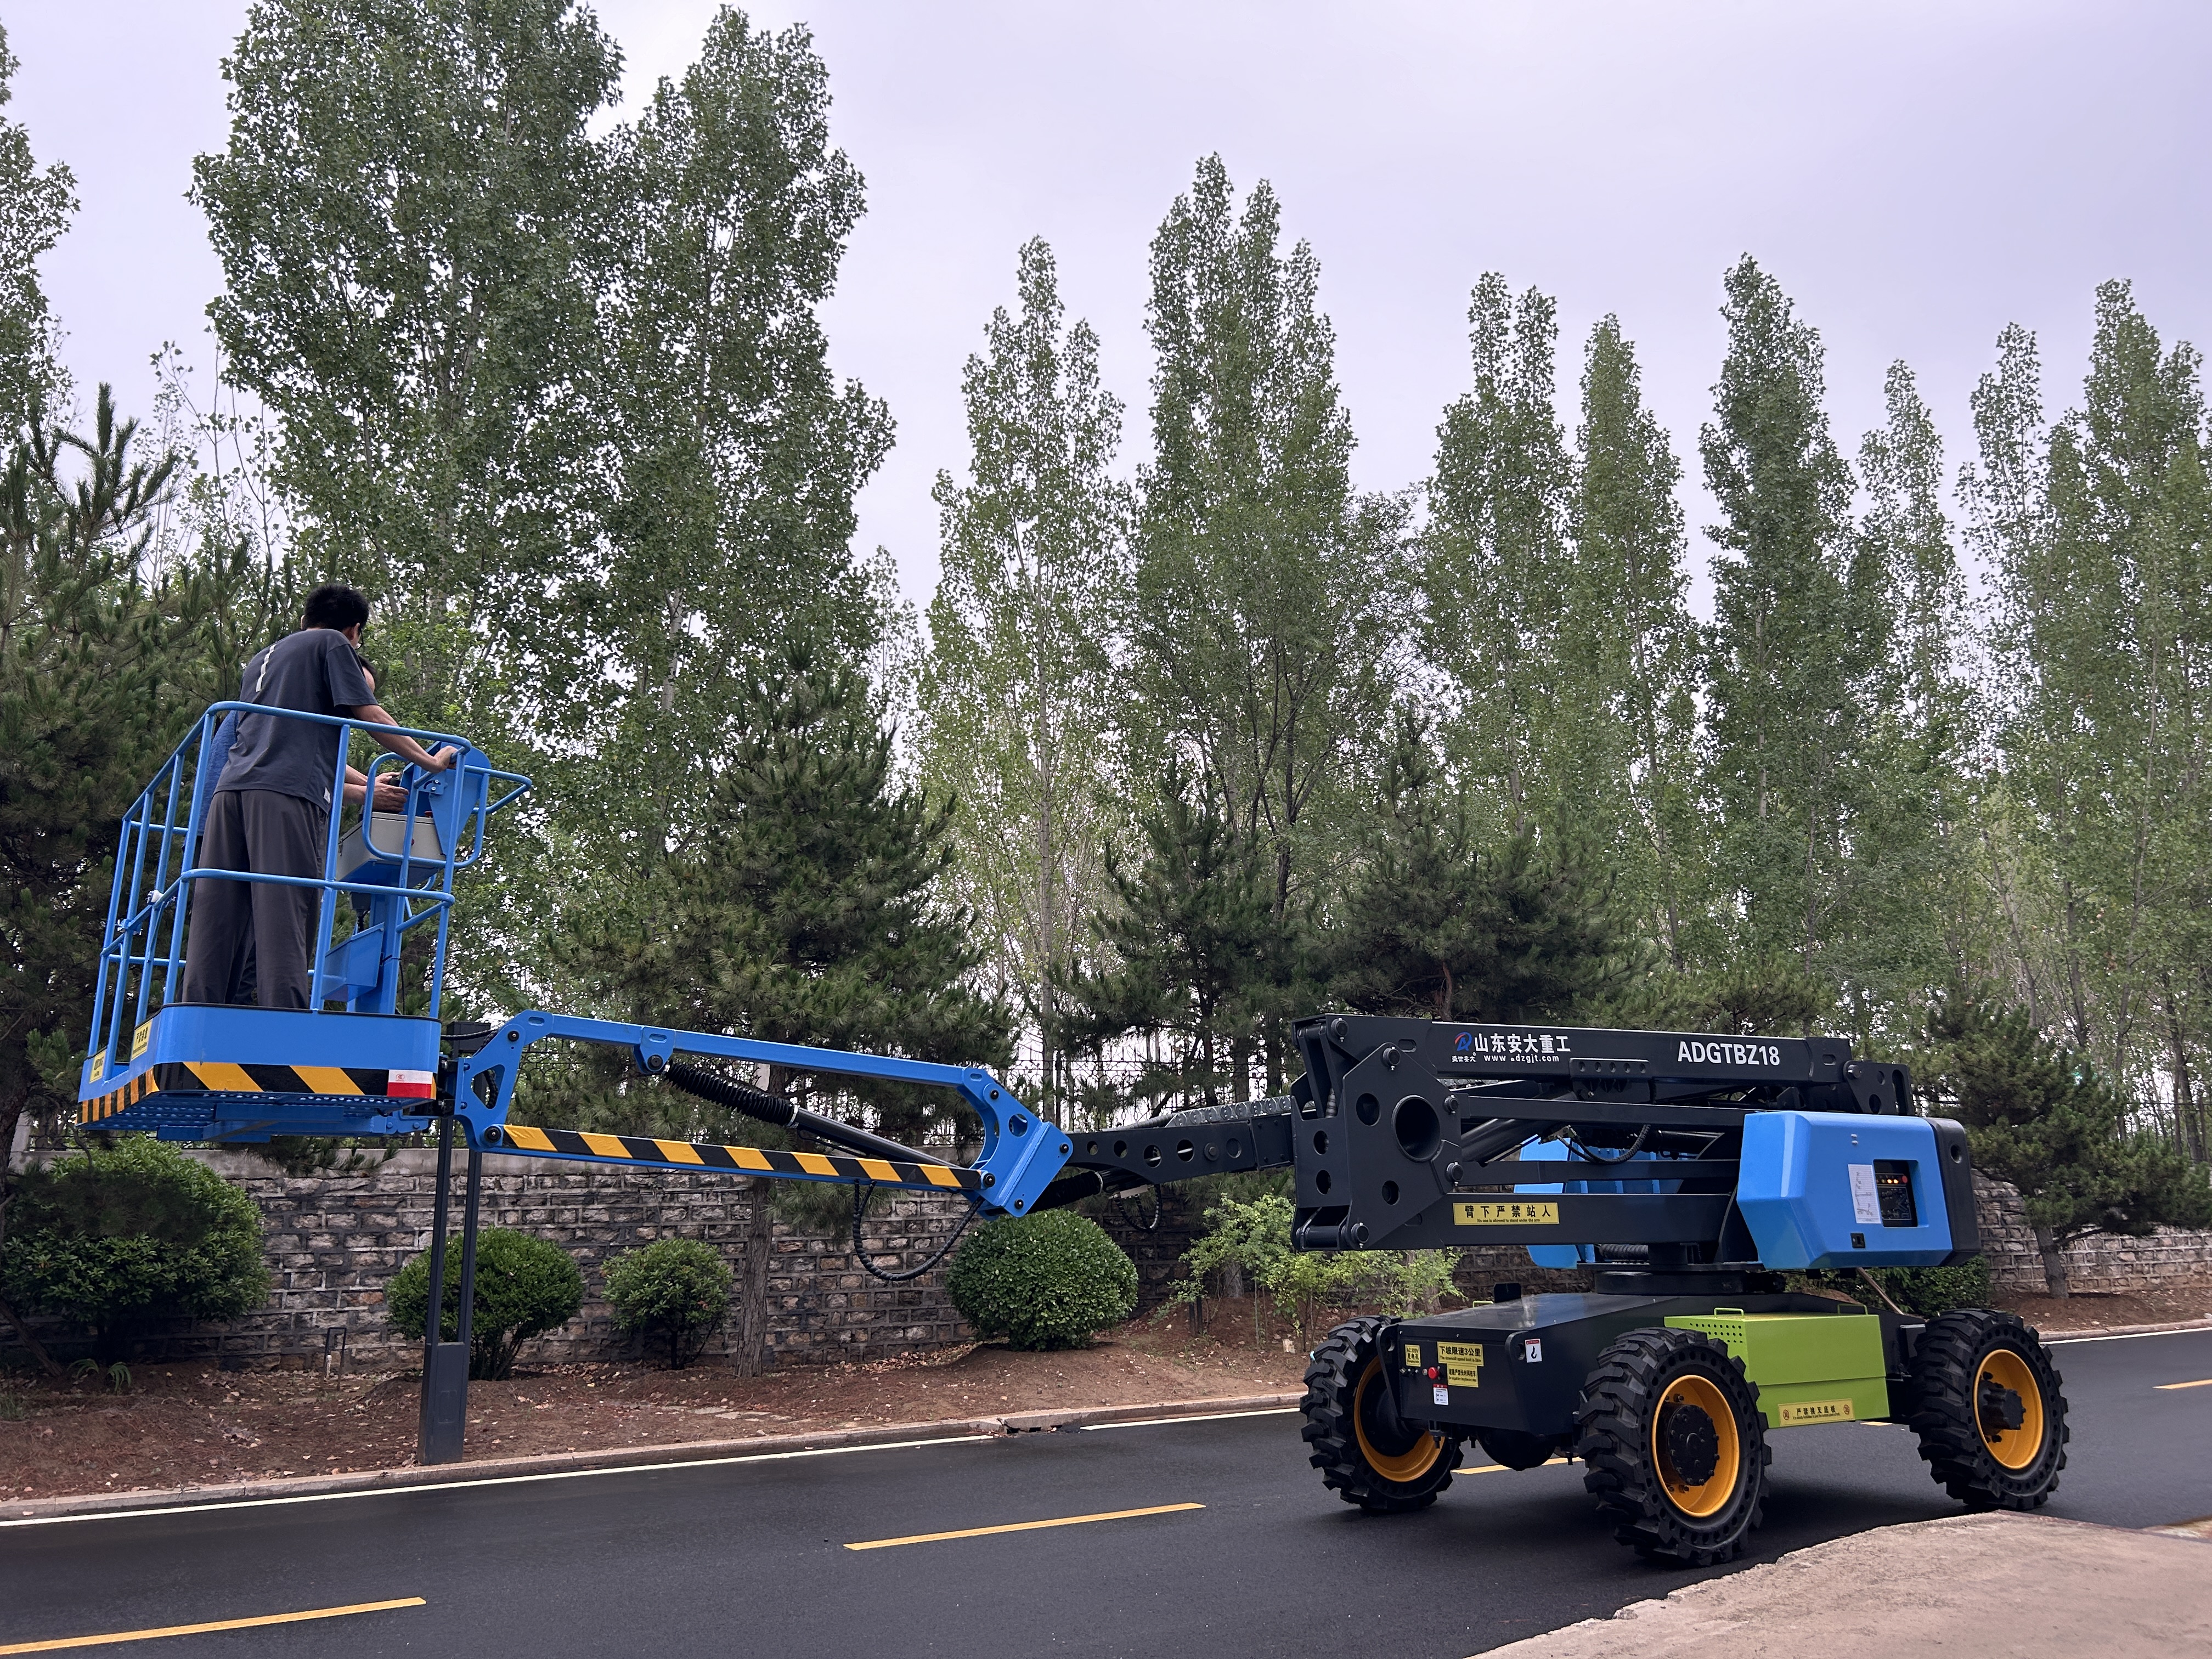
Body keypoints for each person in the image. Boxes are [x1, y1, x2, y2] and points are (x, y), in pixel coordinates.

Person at [181, 584, 455, 1009]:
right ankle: (285, 1017)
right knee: (287, 907)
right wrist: (430, 760)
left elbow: (291, 737)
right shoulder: (332, 644)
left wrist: (368, 785)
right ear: (354, 631)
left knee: (218, 913)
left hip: (229, 795)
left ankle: (198, 1010)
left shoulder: (266, 659)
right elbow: (370, 715)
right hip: (283, 796)